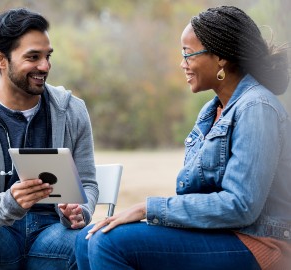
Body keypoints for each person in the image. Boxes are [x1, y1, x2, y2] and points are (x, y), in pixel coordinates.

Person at [76, 5, 291, 270]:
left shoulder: (257, 107)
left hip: (260, 243)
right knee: (88, 239)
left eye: (188, 54)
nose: (183, 64)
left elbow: (240, 205)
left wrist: (147, 209)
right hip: (220, 234)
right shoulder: (211, 111)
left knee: (109, 243)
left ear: (221, 57)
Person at [0, 7, 98, 270]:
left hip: (55, 232)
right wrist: (10, 203)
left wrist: (79, 211)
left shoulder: (72, 111)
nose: (44, 66)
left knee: (91, 243)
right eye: (33, 57)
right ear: (0, 59)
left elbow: (88, 183)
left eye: (47, 56)